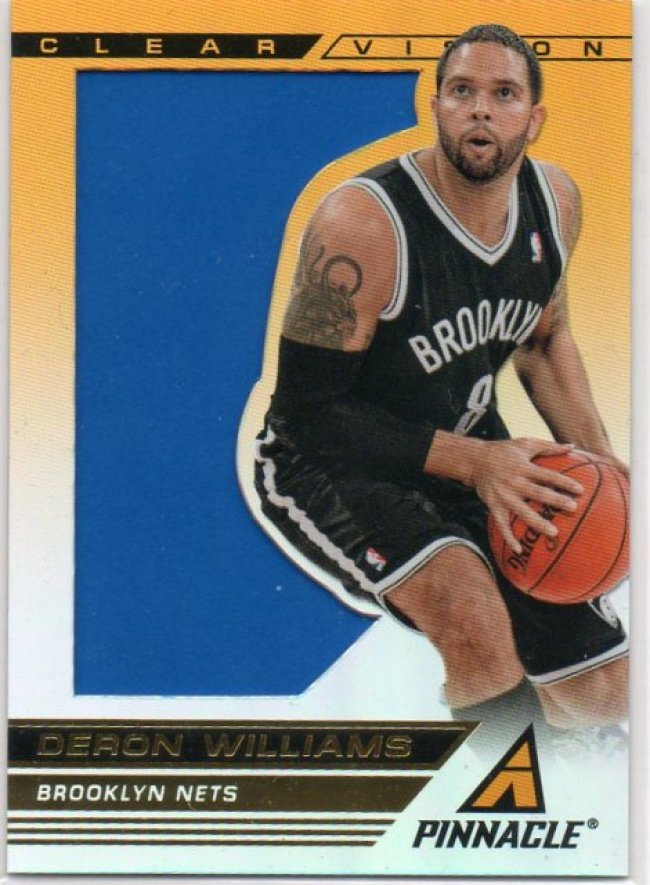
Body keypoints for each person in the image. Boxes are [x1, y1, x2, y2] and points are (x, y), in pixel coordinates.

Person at [251, 24, 628, 751]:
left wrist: (604, 467)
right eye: (462, 91)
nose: (480, 109)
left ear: (534, 119)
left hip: (468, 446)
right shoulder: (362, 223)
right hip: (332, 460)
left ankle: (574, 778)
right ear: (436, 108)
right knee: (473, 619)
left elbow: (543, 338)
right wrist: (478, 462)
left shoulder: (555, 203)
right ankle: (508, 793)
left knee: (606, 687)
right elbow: (304, 416)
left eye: (503, 93)